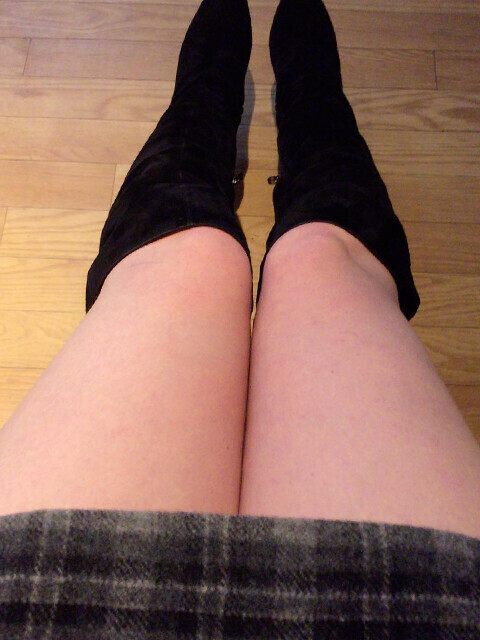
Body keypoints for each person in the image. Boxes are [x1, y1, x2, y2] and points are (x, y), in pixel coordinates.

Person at [0, 0, 479, 636]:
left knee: (189, 250)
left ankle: (209, 99)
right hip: (415, 600)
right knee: (323, 253)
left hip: (50, 594)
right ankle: (308, 104)